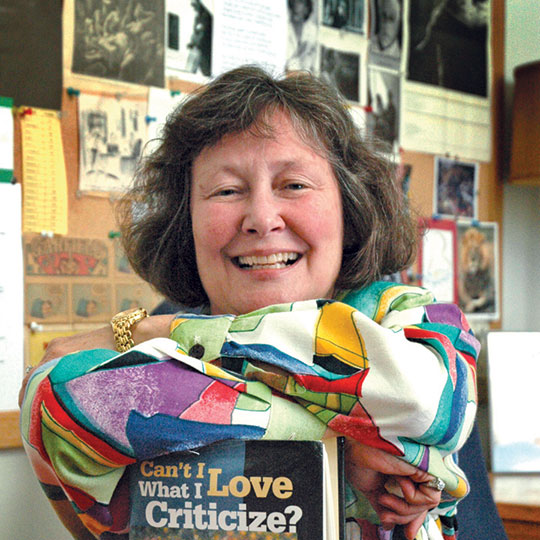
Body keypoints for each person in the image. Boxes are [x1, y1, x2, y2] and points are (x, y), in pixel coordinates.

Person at [20, 66, 479, 540]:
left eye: (294, 184)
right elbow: (53, 403)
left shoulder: (407, 314)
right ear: (187, 221)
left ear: (350, 205)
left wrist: (160, 334)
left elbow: (429, 400)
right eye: (227, 190)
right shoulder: (119, 359)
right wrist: (346, 447)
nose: (261, 217)